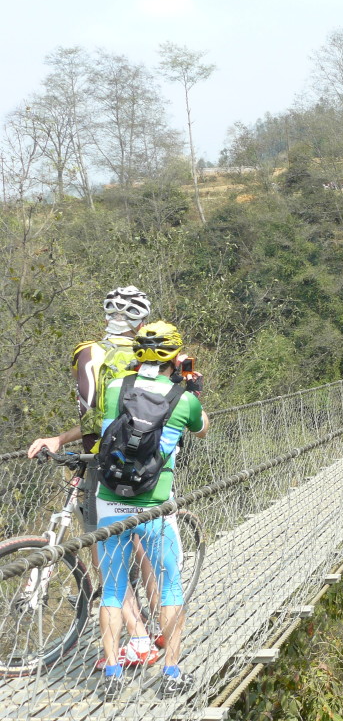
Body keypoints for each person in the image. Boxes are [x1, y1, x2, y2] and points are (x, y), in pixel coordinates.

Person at [26, 286, 160, 670]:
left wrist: (65, 441)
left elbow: (93, 416)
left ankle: (138, 639)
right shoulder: (150, 358)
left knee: (105, 550)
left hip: (103, 462)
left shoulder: (88, 352)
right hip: (148, 462)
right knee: (139, 538)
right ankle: (163, 624)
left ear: (106, 316)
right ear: (141, 323)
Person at [96, 321, 209, 701]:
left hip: (109, 501)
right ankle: (172, 674)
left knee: (112, 589)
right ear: (175, 358)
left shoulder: (115, 388)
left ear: (137, 353)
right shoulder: (184, 399)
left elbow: (105, 430)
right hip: (155, 507)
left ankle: (112, 674)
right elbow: (203, 429)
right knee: (170, 586)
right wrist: (192, 391)